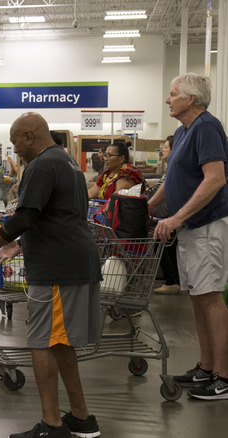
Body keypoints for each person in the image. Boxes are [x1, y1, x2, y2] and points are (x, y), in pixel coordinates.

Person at [0, 112, 102, 438]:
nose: (15, 151)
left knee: (41, 342)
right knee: (60, 342)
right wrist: (20, 245)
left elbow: (25, 217)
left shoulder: (42, 165)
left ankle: (52, 424)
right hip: (71, 261)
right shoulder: (65, 160)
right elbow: (58, 216)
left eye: (16, 144)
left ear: (29, 137)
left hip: (56, 268)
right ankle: (81, 418)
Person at [148, 73, 228, 401]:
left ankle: (224, 376)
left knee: (210, 298)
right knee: (197, 297)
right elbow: (174, 178)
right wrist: (148, 205)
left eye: (173, 94)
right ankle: (207, 367)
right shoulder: (183, 131)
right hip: (188, 230)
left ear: (190, 99)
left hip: (206, 227)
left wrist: (177, 217)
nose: (168, 99)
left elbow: (215, 179)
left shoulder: (207, 127)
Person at [148, 135, 180, 294]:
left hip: (167, 213)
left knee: (161, 243)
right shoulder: (169, 167)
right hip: (168, 213)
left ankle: (171, 280)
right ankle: (175, 280)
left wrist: (149, 204)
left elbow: (166, 191)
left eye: (166, 147)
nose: (163, 149)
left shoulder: (174, 168)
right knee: (170, 245)